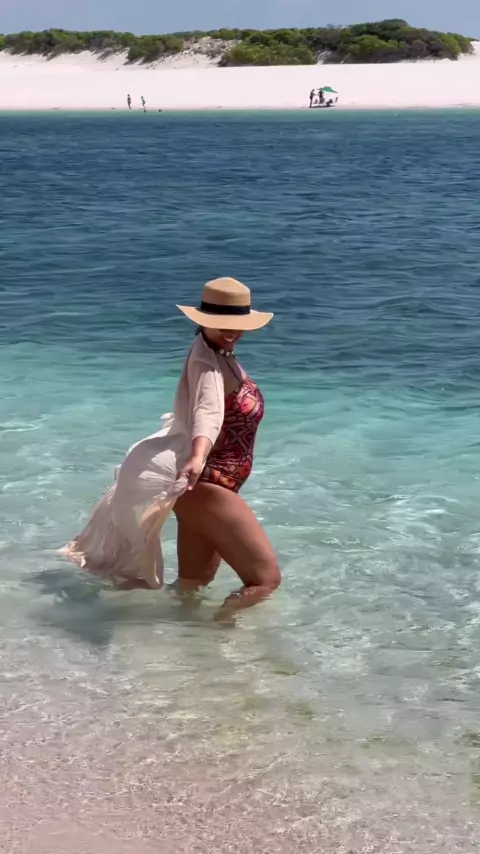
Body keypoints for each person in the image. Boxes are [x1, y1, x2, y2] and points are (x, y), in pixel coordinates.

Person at [61, 277, 281, 618]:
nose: (232, 331)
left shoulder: (215, 352)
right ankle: (222, 630)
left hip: (200, 490)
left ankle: (179, 641)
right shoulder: (207, 363)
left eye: (237, 324)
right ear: (204, 320)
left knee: (194, 583)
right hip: (209, 485)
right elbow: (207, 412)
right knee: (265, 581)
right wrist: (198, 456)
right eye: (222, 323)